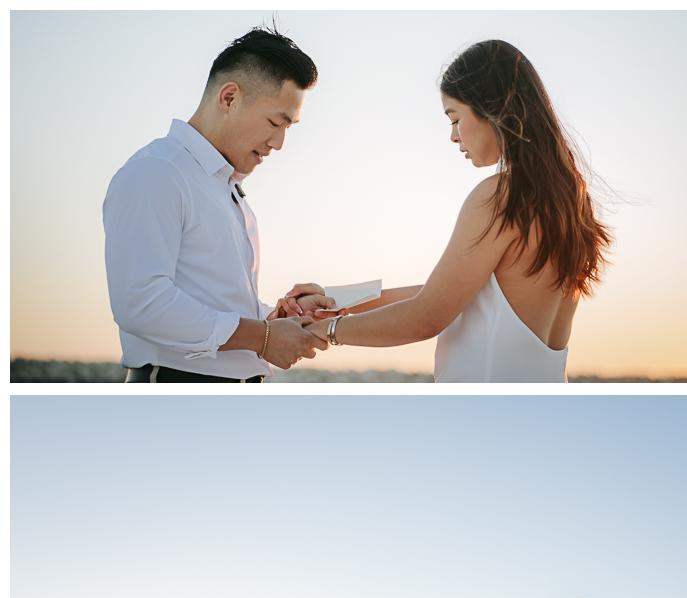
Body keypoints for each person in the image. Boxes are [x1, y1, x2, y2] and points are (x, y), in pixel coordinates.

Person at [280, 40, 612, 383]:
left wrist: (325, 329)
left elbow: (426, 316)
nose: (453, 136)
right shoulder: (570, 201)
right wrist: (335, 300)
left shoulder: (499, 197)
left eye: (455, 118)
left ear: (493, 108)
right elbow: (448, 295)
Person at [103, 27, 333, 383]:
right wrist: (263, 337)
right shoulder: (156, 172)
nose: (280, 142)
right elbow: (140, 303)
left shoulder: (228, 191)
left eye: (289, 127)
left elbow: (222, 308)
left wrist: (276, 320)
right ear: (229, 98)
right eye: (275, 122)